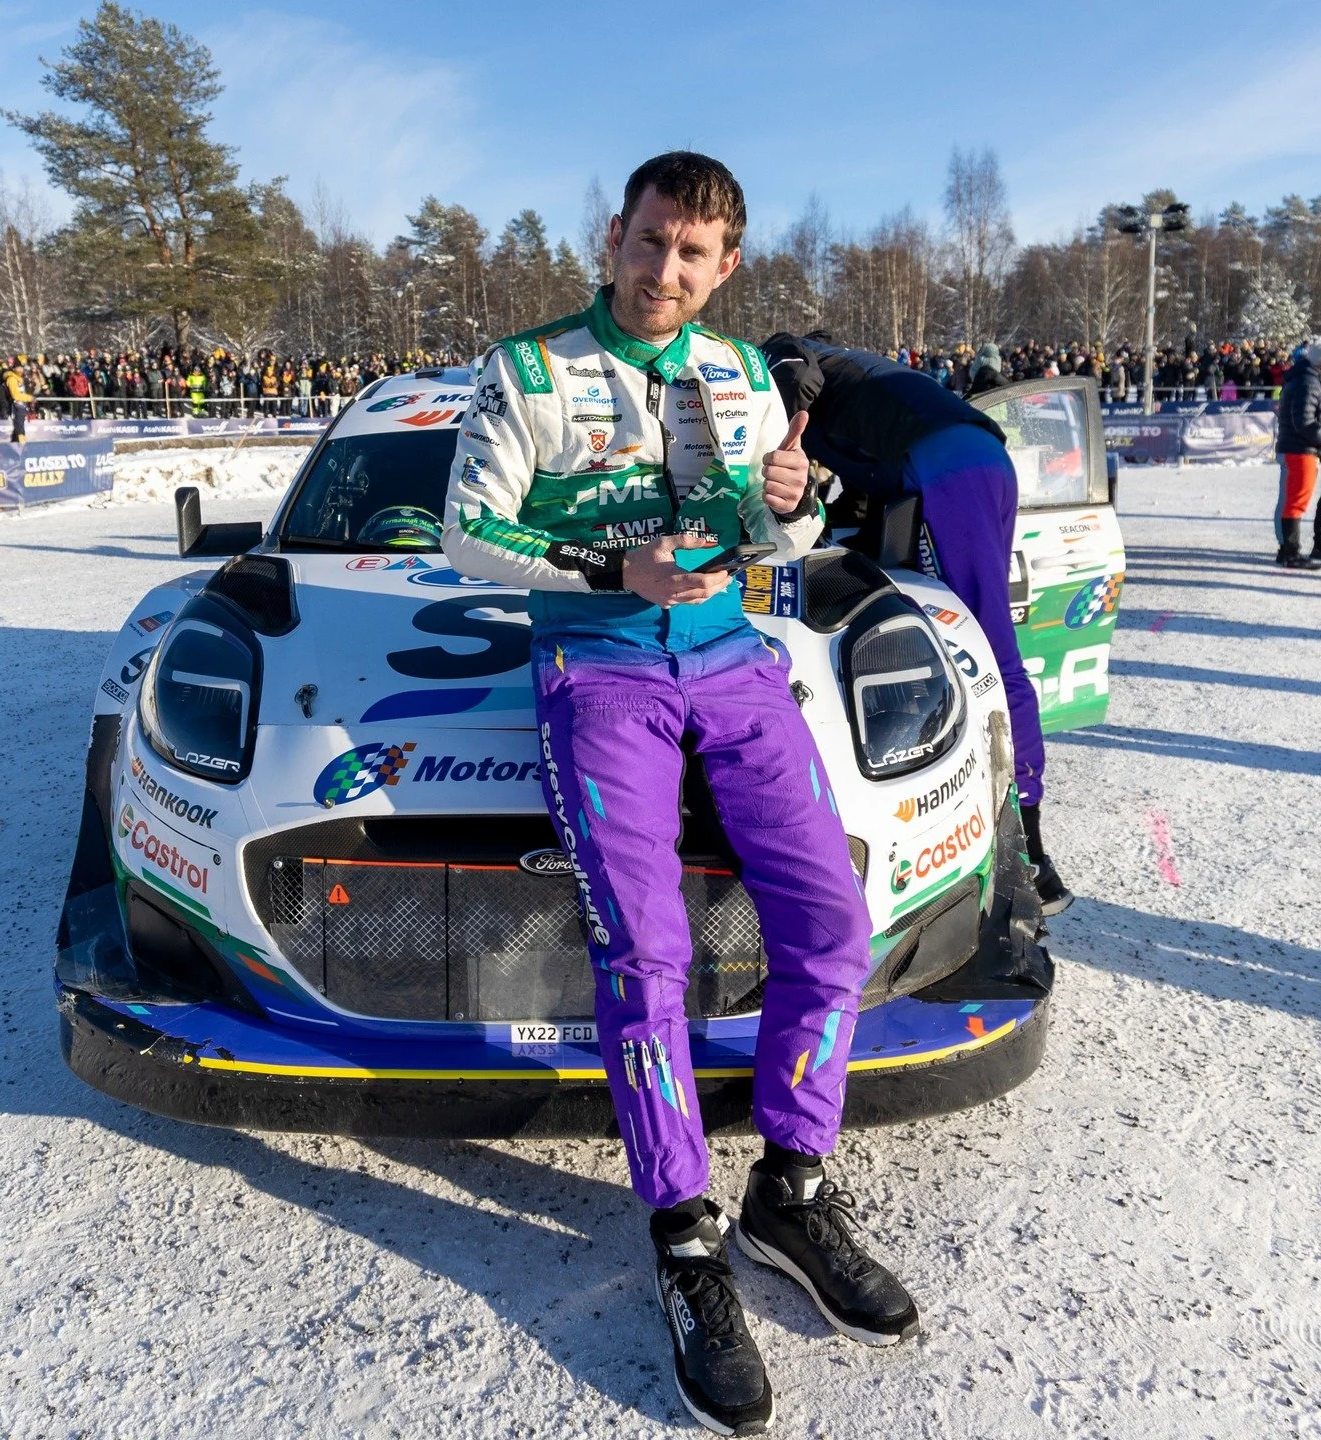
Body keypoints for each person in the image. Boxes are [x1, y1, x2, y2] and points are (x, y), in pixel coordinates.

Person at [443, 152, 917, 1436]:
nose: (665, 271)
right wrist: (609, 562)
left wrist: (795, 502)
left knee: (833, 925)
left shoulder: (743, 374)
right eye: (650, 242)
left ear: (726, 268)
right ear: (615, 236)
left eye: (692, 254)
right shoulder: (529, 371)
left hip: (732, 661)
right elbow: (465, 530)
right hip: (597, 672)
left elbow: (783, 539)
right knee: (645, 950)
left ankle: (793, 1193)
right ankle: (685, 1231)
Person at [760, 332, 1072, 916]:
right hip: (978, 461)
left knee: (982, 645)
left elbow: (790, 371)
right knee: (947, 634)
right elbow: (859, 491)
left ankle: (1028, 849)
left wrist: (768, 410)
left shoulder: (784, 357)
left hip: (943, 470)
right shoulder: (862, 381)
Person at [1275, 339, 1321, 570]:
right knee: (1296, 501)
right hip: (1300, 449)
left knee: (1295, 500)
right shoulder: (1309, 383)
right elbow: (1304, 421)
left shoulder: (1303, 379)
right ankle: (1290, 553)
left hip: (1298, 447)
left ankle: (1287, 551)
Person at [2, 359, 31, 444]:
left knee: (19, 425)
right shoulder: (12, 379)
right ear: (14, 369)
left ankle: (14, 444)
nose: (20, 369)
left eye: (21, 367)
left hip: (22, 405)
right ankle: (21, 443)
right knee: (19, 426)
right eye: (18, 367)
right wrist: (29, 398)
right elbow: (15, 394)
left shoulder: (21, 379)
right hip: (16, 405)